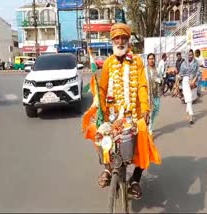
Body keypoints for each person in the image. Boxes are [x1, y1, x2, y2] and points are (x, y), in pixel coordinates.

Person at [82, 23, 161, 200]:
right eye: (116, 38)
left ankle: (135, 181)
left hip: (134, 113)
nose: (120, 41)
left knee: (144, 142)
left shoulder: (138, 62)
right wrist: (100, 110)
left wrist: (146, 109)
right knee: (98, 134)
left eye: (123, 38)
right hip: (112, 113)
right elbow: (102, 89)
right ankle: (107, 170)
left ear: (128, 40)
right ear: (112, 41)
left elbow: (141, 85)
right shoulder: (109, 62)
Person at [179, 49, 200, 125]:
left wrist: (194, 80)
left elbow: (198, 72)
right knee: (189, 97)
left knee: (190, 98)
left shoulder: (196, 62)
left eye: (191, 54)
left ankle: (187, 112)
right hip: (185, 81)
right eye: (188, 54)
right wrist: (177, 83)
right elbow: (181, 74)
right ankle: (191, 116)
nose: (190, 56)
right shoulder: (183, 64)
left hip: (193, 81)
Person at [145, 53, 162, 135]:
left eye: (152, 59)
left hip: (156, 93)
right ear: (147, 60)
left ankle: (149, 122)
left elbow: (160, 79)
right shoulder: (145, 70)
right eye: (150, 59)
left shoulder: (157, 69)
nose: (151, 60)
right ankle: (150, 127)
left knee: (156, 110)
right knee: (150, 111)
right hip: (148, 93)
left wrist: (158, 80)